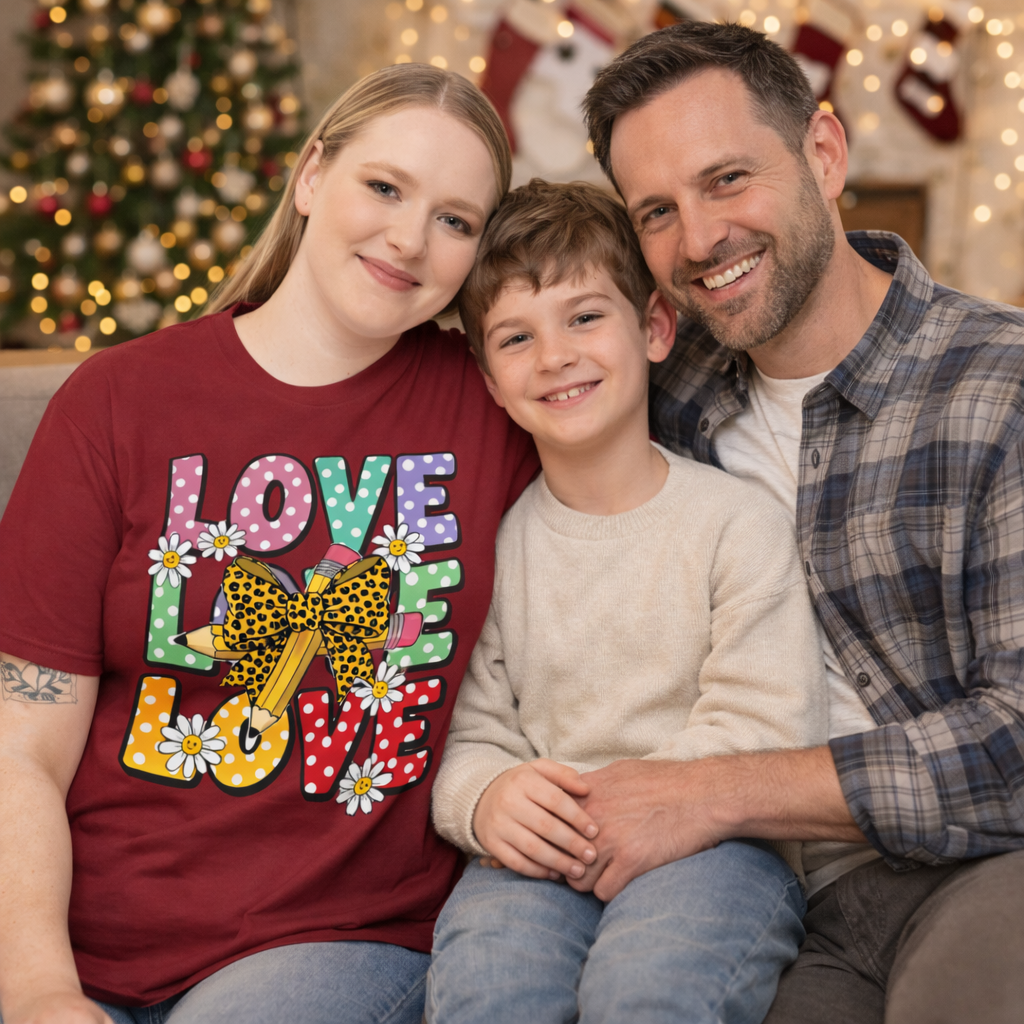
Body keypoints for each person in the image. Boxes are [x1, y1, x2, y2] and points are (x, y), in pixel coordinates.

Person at [0, 64, 539, 1024]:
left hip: (338, 942)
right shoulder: (117, 402)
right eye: (385, 187)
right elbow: (21, 748)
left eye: (457, 220)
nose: (410, 239)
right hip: (81, 942)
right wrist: (39, 989)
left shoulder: (502, 405)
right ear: (310, 177)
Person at [572, 21, 1024, 1024]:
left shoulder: (1000, 386)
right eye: (656, 211)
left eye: (727, 178)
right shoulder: (657, 392)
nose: (698, 242)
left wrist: (713, 790)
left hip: (986, 868)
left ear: (823, 153)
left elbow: (1017, 739)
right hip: (770, 898)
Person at [426, 179, 828, 1024]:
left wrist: (638, 806)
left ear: (652, 327)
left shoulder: (733, 523)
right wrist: (489, 799)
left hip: (720, 846)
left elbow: (769, 725)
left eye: (584, 317)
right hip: (546, 854)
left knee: (647, 994)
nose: (555, 356)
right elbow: (471, 736)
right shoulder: (494, 548)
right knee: (489, 992)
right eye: (515, 337)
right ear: (489, 377)